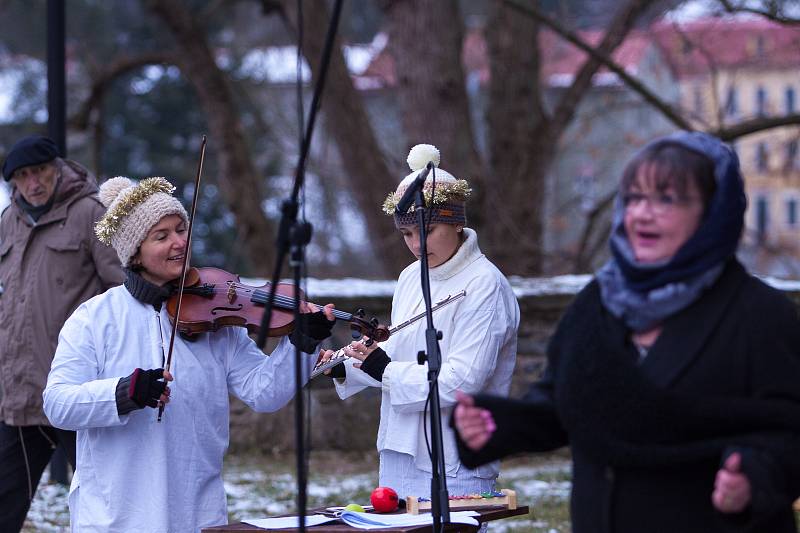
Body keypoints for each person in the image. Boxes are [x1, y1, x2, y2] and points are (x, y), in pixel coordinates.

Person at [452, 131, 800, 533]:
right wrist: (498, 425)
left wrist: (755, 478)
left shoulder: (758, 316)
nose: (642, 213)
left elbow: (790, 433)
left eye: (666, 199)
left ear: (713, 212)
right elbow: (567, 403)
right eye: (634, 198)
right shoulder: (598, 304)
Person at [42, 176, 336, 533]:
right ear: (134, 252)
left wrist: (301, 344)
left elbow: (265, 392)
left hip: (195, 510)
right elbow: (58, 404)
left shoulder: (216, 320)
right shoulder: (95, 318)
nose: (179, 242)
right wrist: (123, 393)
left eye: (181, 230)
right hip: (115, 514)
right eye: (161, 236)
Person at [319, 143, 520, 500]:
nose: (416, 244)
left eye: (427, 230)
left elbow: (465, 379)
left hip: (456, 458)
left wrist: (385, 370)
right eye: (407, 234)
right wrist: (348, 367)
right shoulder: (411, 277)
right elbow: (395, 351)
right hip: (399, 447)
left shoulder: (485, 284)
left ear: (456, 223)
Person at [0, 135, 124, 531]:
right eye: (22, 176)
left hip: (78, 390)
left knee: (107, 504)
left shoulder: (91, 212)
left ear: (57, 168)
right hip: (19, 394)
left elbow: (124, 290)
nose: (32, 183)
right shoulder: (8, 221)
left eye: (39, 171)